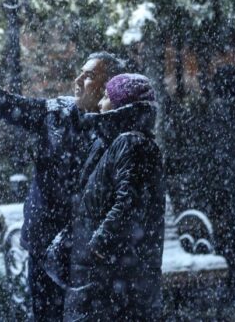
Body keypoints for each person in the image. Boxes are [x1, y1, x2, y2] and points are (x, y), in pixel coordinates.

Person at [0, 38, 127, 321]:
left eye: (89, 75)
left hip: (90, 254)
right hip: (45, 248)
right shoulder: (55, 114)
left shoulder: (119, 132)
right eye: (81, 72)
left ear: (108, 86)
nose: (77, 80)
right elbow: (2, 104)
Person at [62, 73, 165, 321]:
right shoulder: (115, 142)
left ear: (124, 106)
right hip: (107, 270)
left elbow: (129, 202)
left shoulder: (130, 143)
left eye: (107, 96)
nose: (100, 103)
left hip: (112, 272)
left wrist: (98, 245)